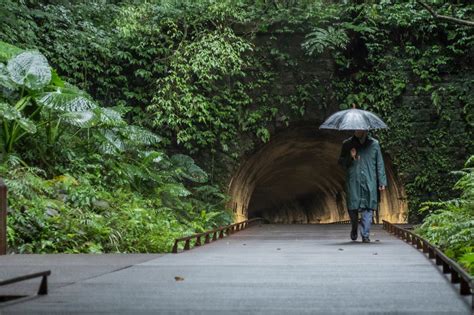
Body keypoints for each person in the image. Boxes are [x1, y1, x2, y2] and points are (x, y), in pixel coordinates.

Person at [338, 129, 387, 242]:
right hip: (354, 181)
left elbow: (379, 163)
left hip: (369, 180)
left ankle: (365, 235)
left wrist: (382, 182)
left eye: (360, 128)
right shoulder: (347, 144)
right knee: (353, 207)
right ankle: (354, 227)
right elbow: (341, 163)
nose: (357, 130)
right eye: (355, 129)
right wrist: (350, 157)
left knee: (369, 207)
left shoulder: (374, 144)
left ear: (365, 129)